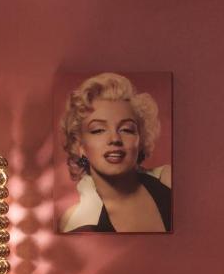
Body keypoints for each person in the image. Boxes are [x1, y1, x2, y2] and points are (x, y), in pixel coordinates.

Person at [59, 73, 172, 233]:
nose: (115, 139)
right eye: (98, 130)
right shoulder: (78, 223)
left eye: (126, 129)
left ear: (140, 139)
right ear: (80, 145)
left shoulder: (168, 182)